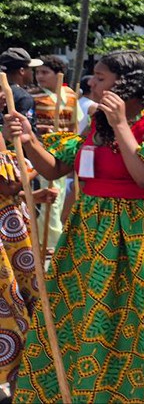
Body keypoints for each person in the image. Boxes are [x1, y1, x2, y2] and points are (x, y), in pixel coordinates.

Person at [7, 50, 144, 402]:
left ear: (127, 85)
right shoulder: (96, 125)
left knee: (128, 324)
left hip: (135, 237)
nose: (91, 82)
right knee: (82, 319)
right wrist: (28, 140)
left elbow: (143, 177)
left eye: (101, 77)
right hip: (87, 234)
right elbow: (55, 169)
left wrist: (122, 125)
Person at [31, 55, 81, 251]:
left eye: (45, 72)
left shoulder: (70, 96)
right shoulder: (34, 96)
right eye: (37, 72)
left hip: (64, 154)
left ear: (58, 74)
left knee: (59, 199)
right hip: (42, 154)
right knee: (47, 198)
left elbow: (75, 125)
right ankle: (49, 243)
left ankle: (55, 240)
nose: (40, 76)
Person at [0, 154, 39, 402]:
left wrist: (30, 195)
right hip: (7, 229)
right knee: (14, 310)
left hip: (10, 227)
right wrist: (31, 167)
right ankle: (19, 390)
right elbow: (9, 185)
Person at [0, 48, 40, 130]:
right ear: (22, 71)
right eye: (31, 69)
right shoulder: (24, 97)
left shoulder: (2, 91)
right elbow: (24, 131)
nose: (32, 73)